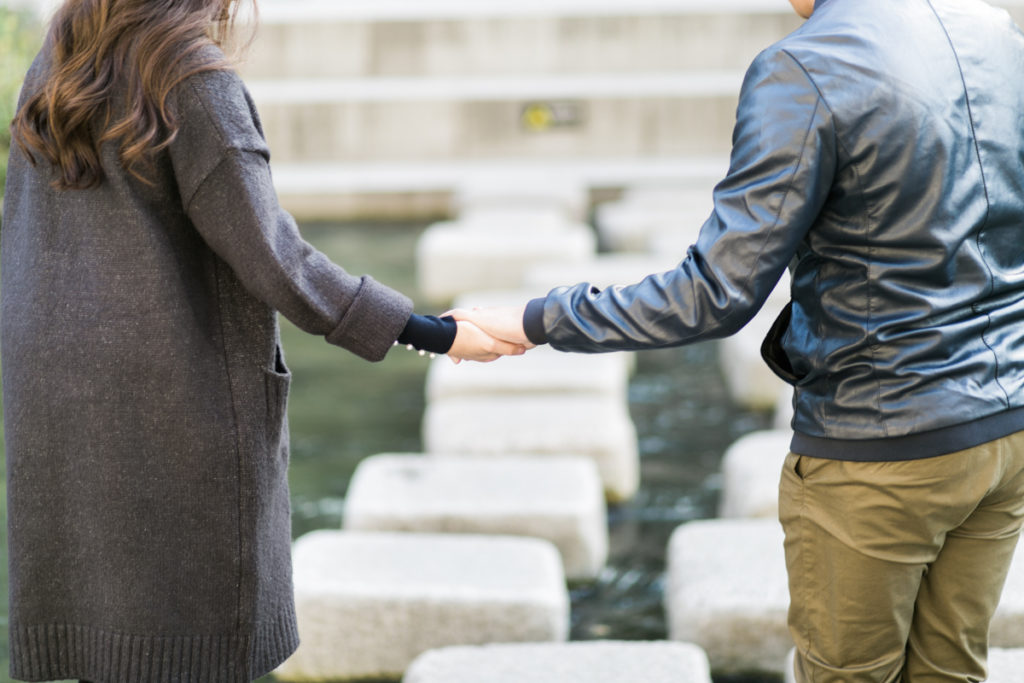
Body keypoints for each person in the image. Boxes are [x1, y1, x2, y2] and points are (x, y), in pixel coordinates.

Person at [452, 0, 1024, 679]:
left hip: (881, 442)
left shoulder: (805, 67)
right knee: (954, 667)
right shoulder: (998, 35)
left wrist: (539, 318)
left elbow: (712, 293)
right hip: (1004, 429)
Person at [0, 1, 524, 681]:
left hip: (55, 396)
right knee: (191, 647)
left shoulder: (59, 60)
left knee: (111, 643)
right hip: (167, 400)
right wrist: (432, 332)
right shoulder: (188, 78)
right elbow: (276, 258)